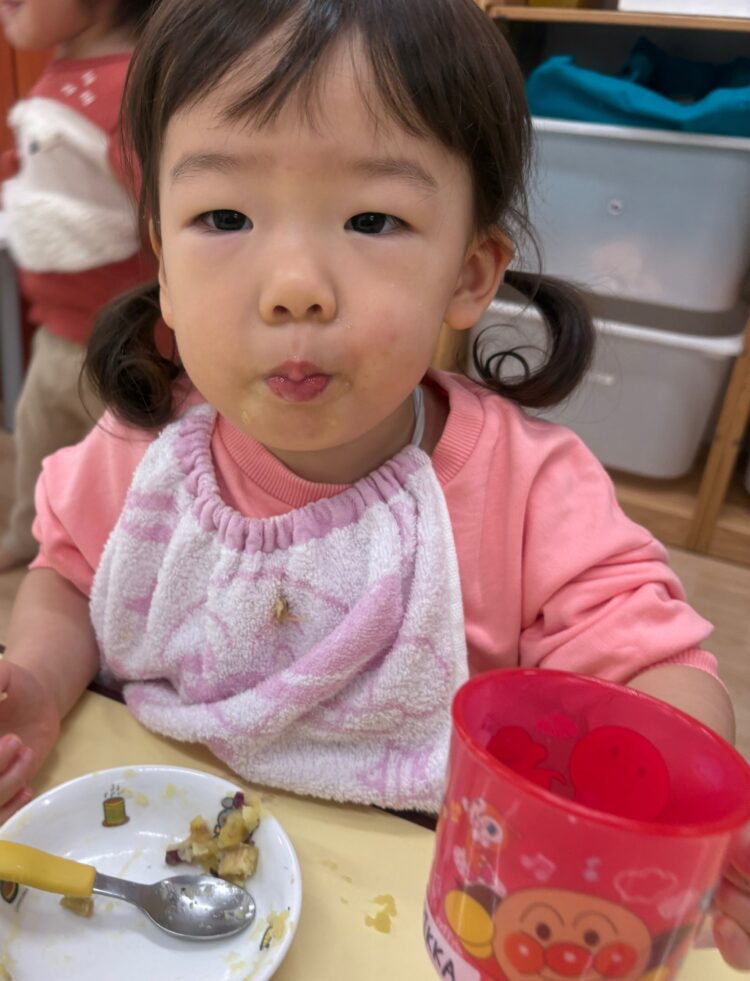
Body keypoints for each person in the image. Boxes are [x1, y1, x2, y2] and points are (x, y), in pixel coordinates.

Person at [0, 0, 748, 967]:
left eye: (372, 220)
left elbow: (650, 669)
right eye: (223, 217)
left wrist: (693, 795)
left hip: (415, 909)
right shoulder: (141, 450)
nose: (294, 287)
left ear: (469, 274)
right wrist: (37, 682)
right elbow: (69, 577)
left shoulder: (528, 491)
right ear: (165, 267)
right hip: (150, 861)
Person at [0, 0, 158, 570]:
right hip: (55, 329)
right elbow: (55, 167)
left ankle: (116, 566)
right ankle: (31, 536)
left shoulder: (129, 86)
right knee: (40, 439)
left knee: (123, 466)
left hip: (127, 339)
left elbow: (163, 207)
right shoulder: (65, 67)